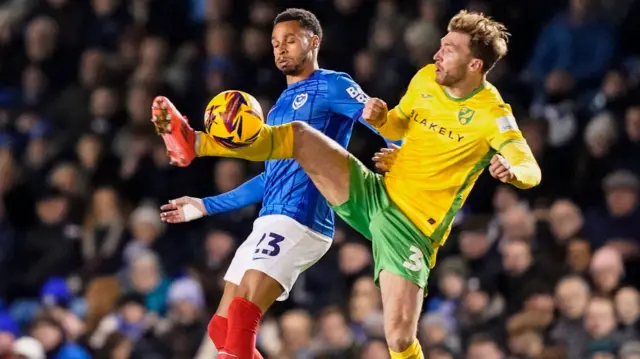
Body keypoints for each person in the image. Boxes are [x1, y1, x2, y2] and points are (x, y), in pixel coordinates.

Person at [156, 9, 542, 359]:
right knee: (299, 136)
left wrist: (512, 170)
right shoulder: (425, 79)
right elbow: (396, 126)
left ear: (475, 64)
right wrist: (386, 121)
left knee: (399, 339)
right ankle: (198, 142)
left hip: (408, 226)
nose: (437, 54)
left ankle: (198, 143)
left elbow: (529, 167)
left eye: (449, 49)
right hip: (373, 192)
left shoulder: (493, 114)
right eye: (440, 45)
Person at [152, 8, 399, 359]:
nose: (281, 49)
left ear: (313, 41)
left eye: (290, 40)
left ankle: (197, 143)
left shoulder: (333, 84)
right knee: (221, 328)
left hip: (303, 217)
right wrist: (206, 205)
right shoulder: (278, 106)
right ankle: (196, 143)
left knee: (242, 314)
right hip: (271, 216)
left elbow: (382, 124)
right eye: (275, 43)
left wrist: (405, 154)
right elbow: (272, 177)